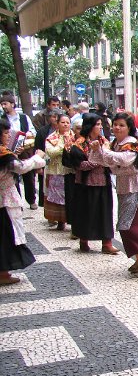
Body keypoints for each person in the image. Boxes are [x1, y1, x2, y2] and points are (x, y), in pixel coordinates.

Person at [89, 112, 138, 273]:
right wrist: (98, 151)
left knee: (132, 225)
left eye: (121, 125)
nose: (117, 127)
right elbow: (101, 161)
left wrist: (103, 150)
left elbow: (123, 160)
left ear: (129, 128)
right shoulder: (116, 143)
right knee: (127, 225)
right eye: (115, 124)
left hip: (137, 188)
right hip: (124, 187)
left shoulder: (132, 143)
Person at [0, 120, 46, 285]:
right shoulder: (4, 155)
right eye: (5, 133)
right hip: (4, 200)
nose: (8, 136)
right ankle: (3, 272)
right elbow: (21, 167)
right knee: (6, 236)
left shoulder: (6, 153)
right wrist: (37, 157)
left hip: (6, 198)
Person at [66, 113, 120, 255]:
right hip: (85, 184)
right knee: (87, 212)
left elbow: (110, 160)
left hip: (103, 182)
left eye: (101, 124)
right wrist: (96, 162)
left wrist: (103, 161)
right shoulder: (79, 143)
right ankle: (84, 240)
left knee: (105, 212)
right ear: (89, 126)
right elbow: (79, 165)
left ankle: (107, 243)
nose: (100, 127)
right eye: (97, 124)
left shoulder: (105, 141)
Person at [1, 92, 38, 210]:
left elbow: (33, 131)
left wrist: (28, 135)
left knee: (29, 176)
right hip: (8, 151)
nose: (3, 106)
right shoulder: (2, 120)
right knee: (12, 176)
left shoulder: (23, 117)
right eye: (2, 104)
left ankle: (31, 199)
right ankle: (17, 202)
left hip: (24, 149)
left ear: (12, 104)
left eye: (5, 103)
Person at [43, 113, 73, 231]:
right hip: (56, 170)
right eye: (63, 122)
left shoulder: (75, 136)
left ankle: (72, 219)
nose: (65, 124)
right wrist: (64, 146)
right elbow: (51, 152)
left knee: (70, 196)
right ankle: (60, 221)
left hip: (71, 171)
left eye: (67, 122)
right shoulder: (51, 138)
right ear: (57, 123)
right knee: (57, 197)